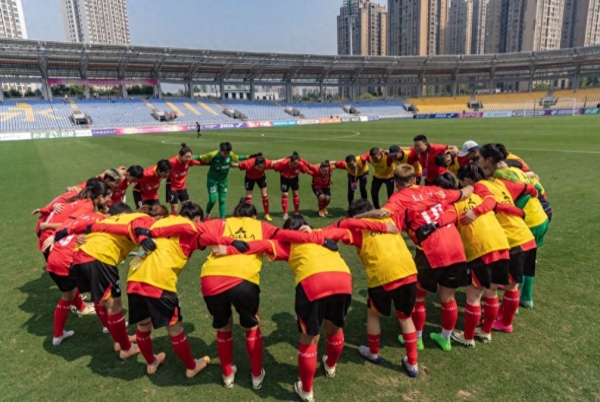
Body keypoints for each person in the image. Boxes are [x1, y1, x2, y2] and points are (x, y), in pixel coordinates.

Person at [201, 199, 339, 390]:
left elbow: (196, 229)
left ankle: (227, 375)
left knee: (224, 327)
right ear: (253, 215)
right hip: (244, 281)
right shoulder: (261, 225)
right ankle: (256, 375)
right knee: (251, 328)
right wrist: (319, 237)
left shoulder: (221, 223)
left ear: (236, 214)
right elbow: (281, 235)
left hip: (211, 279)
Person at [216, 215, 354, 402]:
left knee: (309, 339)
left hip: (313, 283)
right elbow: (344, 230)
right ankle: (330, 365)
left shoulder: (288, 244)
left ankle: (307, 391)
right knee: (335, 328)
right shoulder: (322, 233)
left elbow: (262, 245)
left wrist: (228, 249)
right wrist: (318, 235)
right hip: (343, 280)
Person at [353, 164, 474, 352]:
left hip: (432, 250)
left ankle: (417, 338)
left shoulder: (399, 198)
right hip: (455, 246)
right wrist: (471, 186)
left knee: (419, 296)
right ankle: (445, 339)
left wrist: (358, 217)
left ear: (396, 182)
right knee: (448, 296)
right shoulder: (433, 190)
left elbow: (383, 213)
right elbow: (466, 191)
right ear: (415, 178)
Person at [126, 203, 240, 378]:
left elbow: (136, 224)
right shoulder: (191, 231)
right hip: (159, 283)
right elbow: (209, 238)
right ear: (197, 219)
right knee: (175, 328)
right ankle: (191, 367)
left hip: (134, 279)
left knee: (143, 325)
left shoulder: (161, 222)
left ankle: (151, 363)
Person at [65, 204, 169, 357]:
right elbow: (138, 229)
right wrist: (144, 240)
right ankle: (126, 348)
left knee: (102, 300)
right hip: (99, 256)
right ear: (159, 218)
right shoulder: (145, 219)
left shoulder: (121, 217)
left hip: (81, 255)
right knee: (114, 305)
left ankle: (120, 341)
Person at [342, 199, 420, 377]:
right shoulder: (390, 218)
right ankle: (412, 363)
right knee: (405, 317)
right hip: (408, 270)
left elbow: (343, 228)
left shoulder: (356, 228)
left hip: (381, 275)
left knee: (373, 314)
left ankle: (373, 352)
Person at [433, 171, 510, 348]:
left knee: (473, 296)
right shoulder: (477, 195)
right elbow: (492, 202)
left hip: (479, 250)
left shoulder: (451, 204)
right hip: (502, 245)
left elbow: (448, 227)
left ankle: (468, 338)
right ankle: (486, 331)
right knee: (491, 292)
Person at [41, 181, 114, 345]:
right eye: (108, 197)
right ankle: (108, 327)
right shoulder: (90, 211)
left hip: (54, 260)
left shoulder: (82, 205)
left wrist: (53, 234)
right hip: (67, 261)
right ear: (100, 197)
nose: (110, 200)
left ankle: (57, 336)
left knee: (67, 296)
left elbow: (68, 223)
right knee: (97, 290)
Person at [477, 144, 538, 335]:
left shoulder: (488, 185)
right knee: (513, 283)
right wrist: (516, 210)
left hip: (513, 240)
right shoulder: (501, 182)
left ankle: (504, 322)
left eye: (480, 157)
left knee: (501, 285)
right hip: (526, 237)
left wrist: (510, 209)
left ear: (488, 160)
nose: (478, 161)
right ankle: (504, 317)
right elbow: (531, 188)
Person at [494, 161, 550, 308]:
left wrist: (514, 209)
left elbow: (524, 195)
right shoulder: (519, 173)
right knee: (529, 263)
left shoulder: (502, 177)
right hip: (541, 219)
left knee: (520, 263)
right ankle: (526, 298)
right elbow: (537, 187)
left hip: (529, 223)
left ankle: (514, 300)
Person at [193, 142, 250, 219]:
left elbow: (238, 157)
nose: (227, 155)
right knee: (212, 200)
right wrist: (188, 157)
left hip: (223, 181)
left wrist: (249, 156)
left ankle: (222, 219)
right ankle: (207, 214)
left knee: (222, 200)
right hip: (212, 181)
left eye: (228, 153)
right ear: (221, 150)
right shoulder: (213, 155)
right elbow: (199, 157)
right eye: (225, 153)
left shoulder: (231, 155)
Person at [67, 166, 144, 206]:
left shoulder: (126, 178)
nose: (134, 182)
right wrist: (72, 188)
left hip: (116, 205)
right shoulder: (103, 180)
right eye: (134, 179)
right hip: (108, 206)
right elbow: (90, 184)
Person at [238, 153, 281, 222]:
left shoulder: (266, 162)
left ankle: (266, 214)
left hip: (261, 177)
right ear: (255, 165)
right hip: (249, 178)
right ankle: (249, 215)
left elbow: (276, 161)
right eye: (259, 167)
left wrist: (288, 159)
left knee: (264, 195)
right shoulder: (248, 163)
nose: (261, 168)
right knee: (249, 197)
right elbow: (237, 165)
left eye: (262, 167)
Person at [166, 143, 203, 215]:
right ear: (180, 155)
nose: (188, 159)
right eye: (187, 157)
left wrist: (211, 163)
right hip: (171, 187)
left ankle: (183, 219)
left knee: (187, 206)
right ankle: (173, 220)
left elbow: (199, 163)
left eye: (190, 157)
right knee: (174, 208)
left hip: (182, 187)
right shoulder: (171, 162)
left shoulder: (189, 161)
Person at [273, 152, 310, 220]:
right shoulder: (284, 163)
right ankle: (285, 213)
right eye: (294, 163)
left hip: (294, 179)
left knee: (295, 194)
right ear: (290, 161)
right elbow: (275, 168)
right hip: (284, 179)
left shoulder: (300, 164)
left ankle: (296, 212)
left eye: (297, 163)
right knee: (285, 194)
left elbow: (304, 171)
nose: (296, 165)